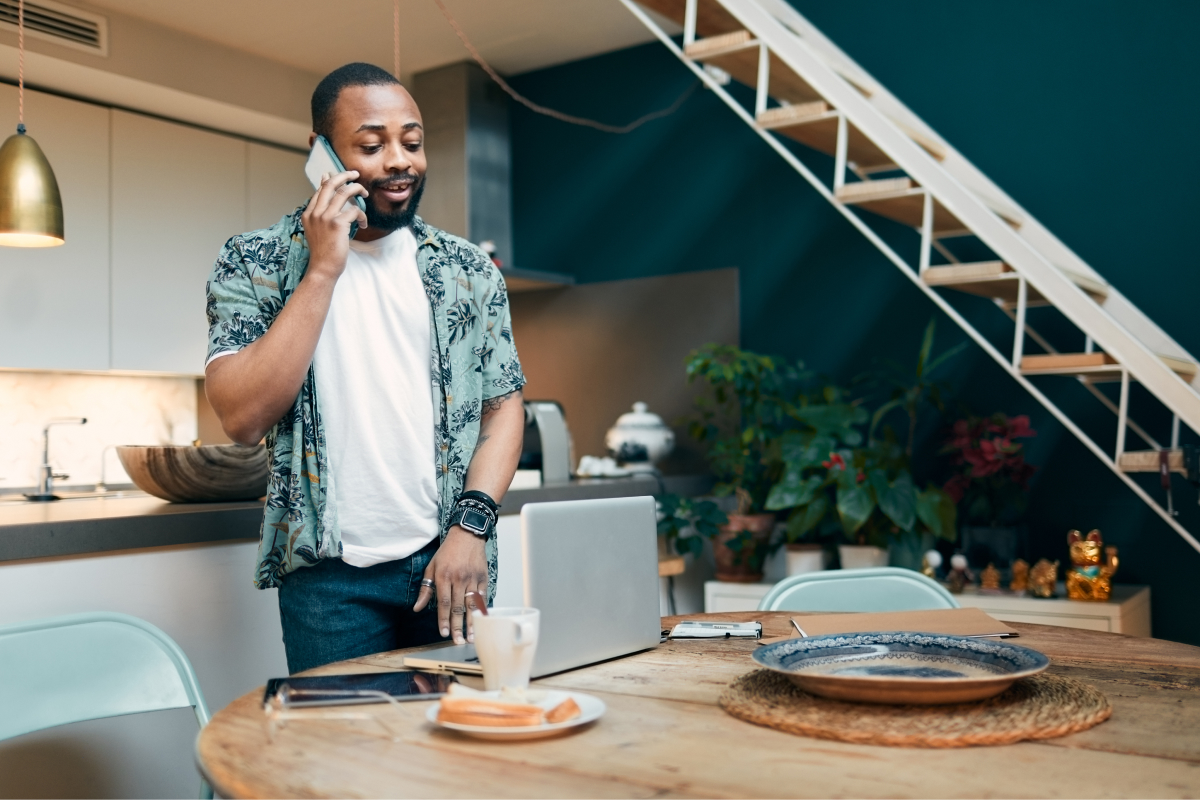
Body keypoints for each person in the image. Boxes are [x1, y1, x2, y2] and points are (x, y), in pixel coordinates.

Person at [203, 62, 525, 675]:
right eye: (373, 145)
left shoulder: (468, 270)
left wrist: (471, 531)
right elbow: (242, 417)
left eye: (412, 141)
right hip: (329, 586)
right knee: (342, 763)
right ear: (321, 153)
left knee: (455, 758)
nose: (400, 160)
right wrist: (324, 268)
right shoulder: (257, 260)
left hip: (448, 563)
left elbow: (504, 406)